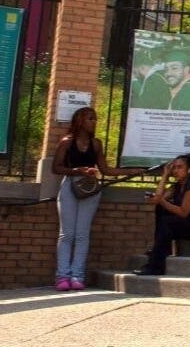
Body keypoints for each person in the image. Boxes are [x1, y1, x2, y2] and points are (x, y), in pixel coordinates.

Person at [52, 106, 140, 291]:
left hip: (90, 187)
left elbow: (106, 169)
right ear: (80, 121)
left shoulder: (96, 144)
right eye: (90, 118)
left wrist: (130, 171)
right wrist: (77, 170)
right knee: (67, 234)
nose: (94, 122)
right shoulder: (67, 142)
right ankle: (62, 276)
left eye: (95, 119)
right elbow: (56, 168)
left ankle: (77, 275)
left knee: (82, 234)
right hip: (70, 185)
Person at [134, 153, 190, 276]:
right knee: (160, 209)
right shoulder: (178, 185)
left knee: (167, 219)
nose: (176, 171)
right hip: (189, 222)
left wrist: (162, 201)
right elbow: (158, 199)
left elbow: (184, 212)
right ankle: (159, 250)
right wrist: (165, 175)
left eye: (179, 167)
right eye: (174, 168)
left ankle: (155, 265)